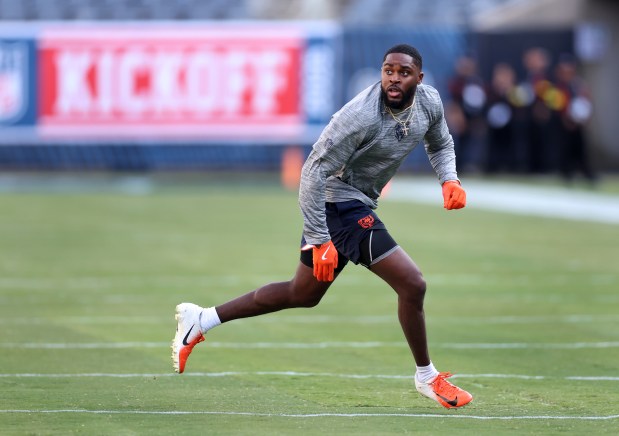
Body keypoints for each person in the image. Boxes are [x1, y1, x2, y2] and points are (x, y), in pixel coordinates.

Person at [172, 44, 473, 409]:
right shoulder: (360, 116)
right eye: (388, 70)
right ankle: (426, 376)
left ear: (419, 79)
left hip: (358, 200)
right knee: (412, 282)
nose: (394, 79)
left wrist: (449, 179)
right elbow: (312, 172)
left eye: (403, 73)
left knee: (303, 294)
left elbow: (440, 143)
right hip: (337, 202)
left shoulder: (429, 102)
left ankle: (202, 319)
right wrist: (319, 239)